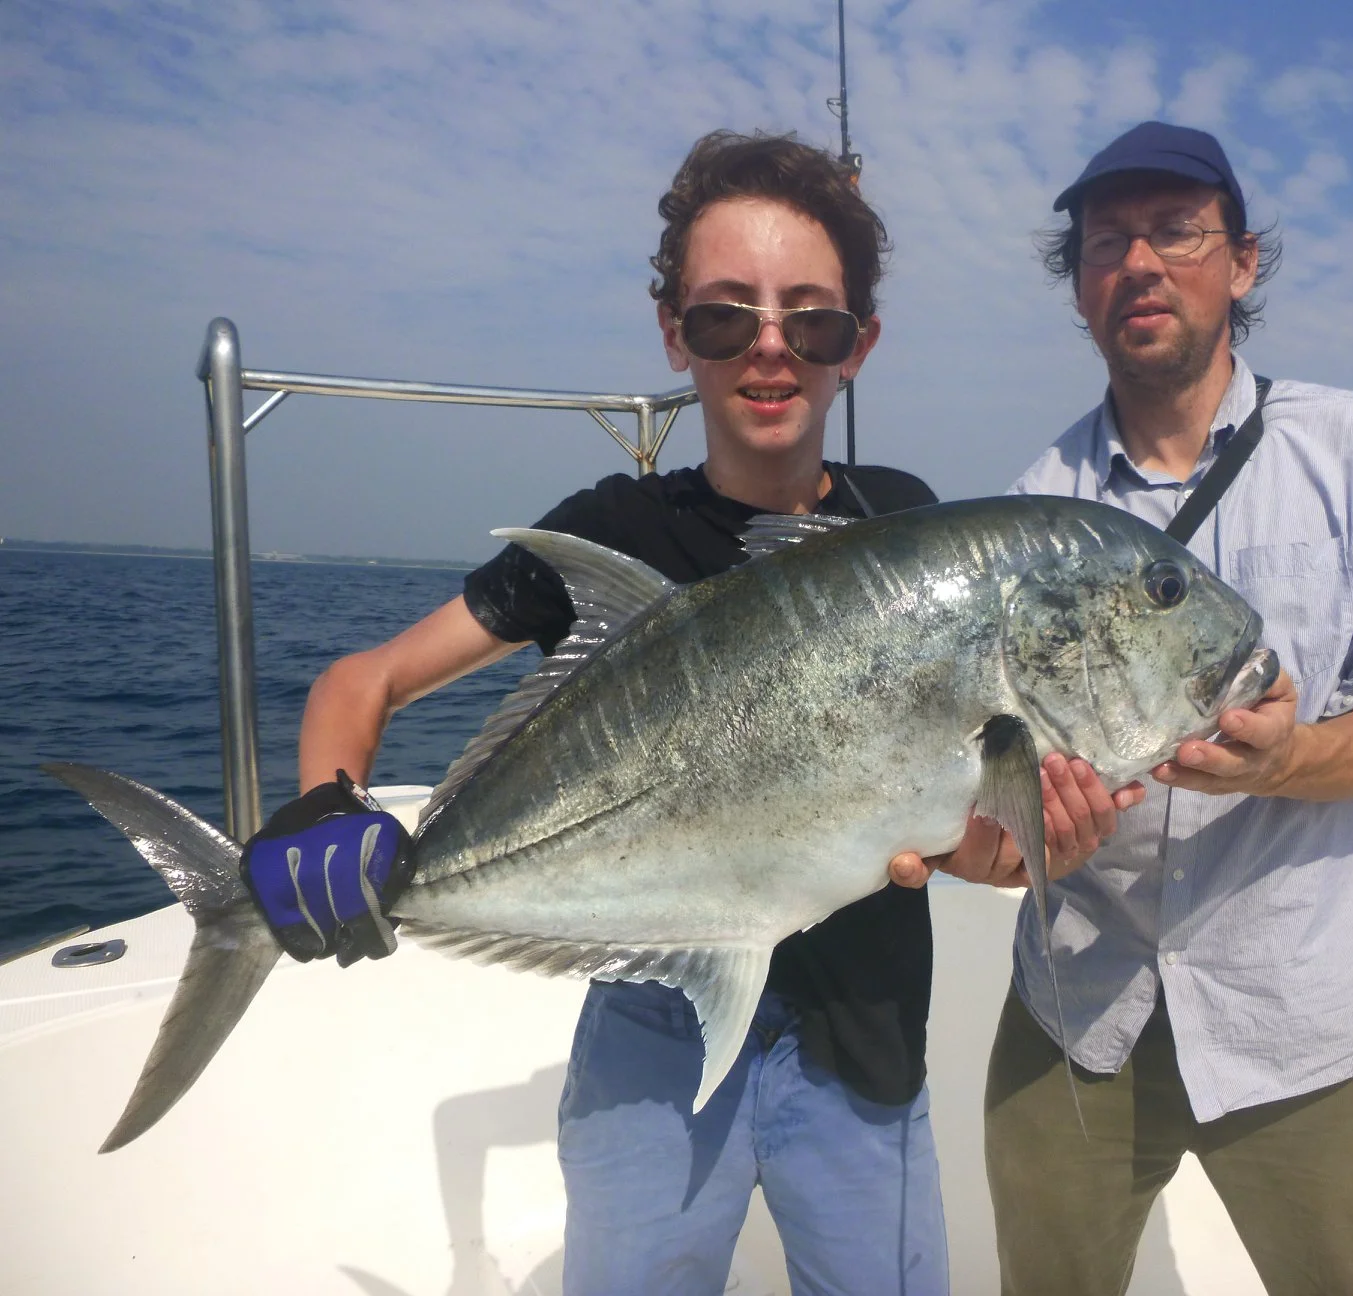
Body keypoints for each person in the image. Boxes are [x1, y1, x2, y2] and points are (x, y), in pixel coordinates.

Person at [236, 129, 1137, 1296]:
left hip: (861, 1046)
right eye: (724, 319)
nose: (769, 349)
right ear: (674, 333)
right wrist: (326, 803)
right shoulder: (612, 533)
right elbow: (365, 683)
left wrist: (1016, 850)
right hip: (649, 1045)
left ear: (858, 346)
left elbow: (953, 839)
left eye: (811, 323)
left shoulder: (905, 534)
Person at [918, 121, 1353, 1296]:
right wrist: (998, 850)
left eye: (1176, 232)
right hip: (1081, 1004)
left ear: (1242, 262)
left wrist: (1288, 761)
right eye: (1106, 242)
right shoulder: (1032, 507)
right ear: (1079, 286)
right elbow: (983, 796)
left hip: (1313, 1013)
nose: (1139, 263)